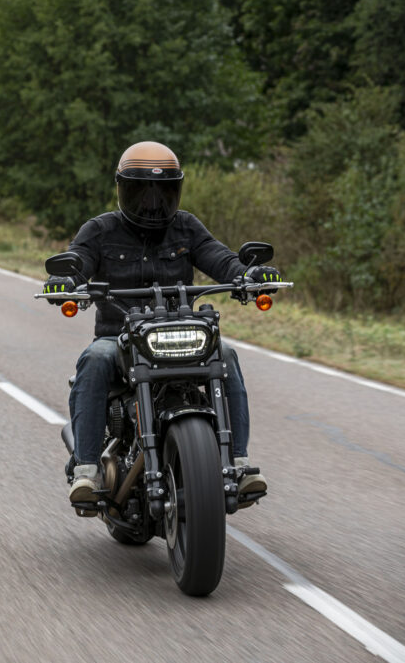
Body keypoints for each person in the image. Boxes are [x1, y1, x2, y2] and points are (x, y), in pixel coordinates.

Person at [42, 141, 275, 510]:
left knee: (226, 354)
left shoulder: (186, 227)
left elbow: (219, 256)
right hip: (119, 337)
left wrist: (249, 274)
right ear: (122, 189)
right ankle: (87, 469)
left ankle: (239, 463)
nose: (152, 203)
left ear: (176, 190)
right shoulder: (100, 230)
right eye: (141, 192)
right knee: (95, 359)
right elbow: (79, 259)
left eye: (163, 192)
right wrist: (67, 280)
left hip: (181, 331)